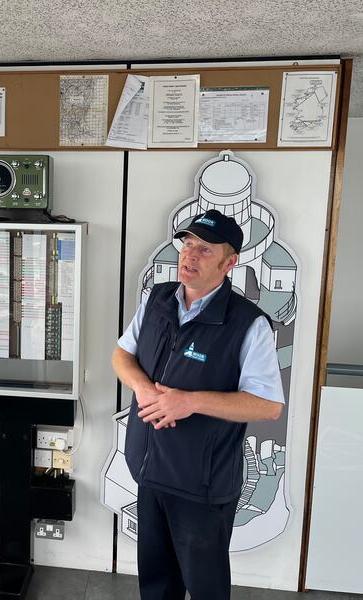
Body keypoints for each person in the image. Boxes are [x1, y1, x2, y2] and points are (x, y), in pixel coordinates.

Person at [112, 209, 285, 600]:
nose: (189, 255)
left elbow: (267, 406)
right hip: (150, 471)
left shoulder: (248, 323)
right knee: (156, 585)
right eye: (187, 244)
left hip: (201, 486)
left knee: (205, 588)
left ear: (230, 262)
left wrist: (188, 402)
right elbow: (122, 356)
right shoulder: (157, 300)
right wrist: (143, 388)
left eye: (205, 250)